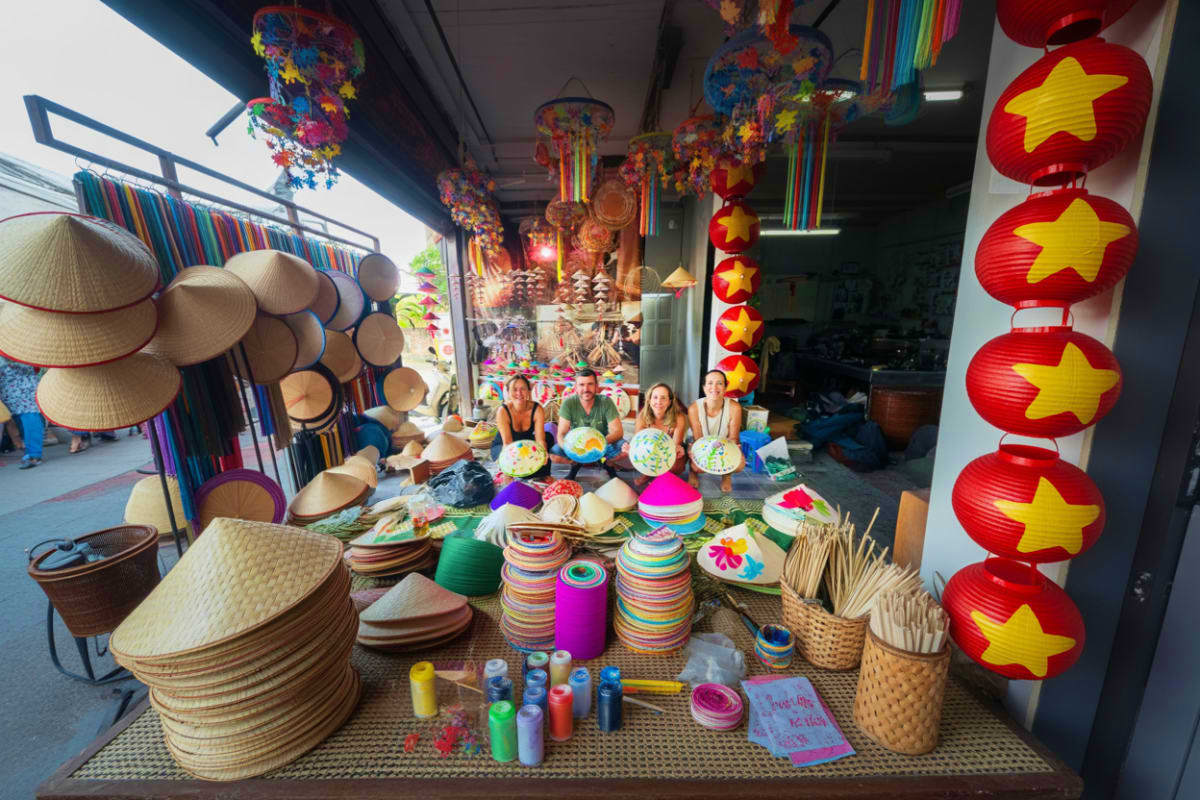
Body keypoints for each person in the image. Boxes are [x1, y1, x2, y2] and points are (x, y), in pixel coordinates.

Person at [688, 368, 745, 493]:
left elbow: (733, 438)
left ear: (725, 387)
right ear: (704, 387)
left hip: (725, 445)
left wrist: (733, 450)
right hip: (703, 445)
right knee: (697, 467)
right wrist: (696, 453)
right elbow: (698, 439)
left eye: (719, 383)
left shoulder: (735, 407)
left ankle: (726, 475)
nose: (714, 387)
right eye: (710, 383)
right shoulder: (694, 408)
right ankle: (692, 473)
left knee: (739, 464)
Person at [550, 368, 624, 464]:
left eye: (590, 384)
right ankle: (582, 462)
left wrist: (598, 443)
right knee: (554, 454)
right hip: (577, 447)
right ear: (576, 388)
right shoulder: (568, 403)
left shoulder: (606, 401)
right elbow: (561, 433)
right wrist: (569, 449)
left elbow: (618, 431)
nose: (586, 389)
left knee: (625, 448)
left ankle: (598, 461)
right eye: (581, 385)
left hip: (602, 445)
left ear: (596, 386)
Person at [622, 382, 687, 487]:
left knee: (676, 467)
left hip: (669, 449)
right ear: (649, 400)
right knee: (634, 457)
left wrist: (677, 450)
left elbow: (674, 447)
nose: (658, 401)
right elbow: (639, 442)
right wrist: (632, 449)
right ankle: (648, 474)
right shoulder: (642, 416)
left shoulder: (679, 417)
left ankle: (660, 477)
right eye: (655, 397)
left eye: (663, 398)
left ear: (670, 401)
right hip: (651, 448)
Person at [490, 373, 552, 478]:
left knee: (548, 438)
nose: (519, 393)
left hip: (525, 443)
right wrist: (508, 469)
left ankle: (545, 476)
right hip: (504, 446)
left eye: (523, 389)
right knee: (519, 468)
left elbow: (540, 439)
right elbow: (507, 442)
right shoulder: (503, 411)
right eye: (514, 389)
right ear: (508, 392)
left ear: (528, 391)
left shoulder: (537, 409)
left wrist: (543, 453)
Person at [0, 356, 44, 469]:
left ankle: (33, 454)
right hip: (16, 386)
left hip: (16, 386)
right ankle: (31, 452)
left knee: (28, 418)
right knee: (25, 419)